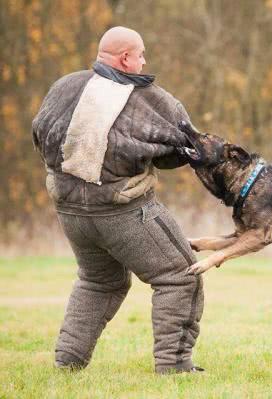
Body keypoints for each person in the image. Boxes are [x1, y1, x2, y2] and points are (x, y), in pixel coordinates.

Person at [32, 26, 204, 374]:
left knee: (99, 281)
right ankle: (174, 366)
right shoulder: (148, 98)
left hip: (70, 213)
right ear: (126, 58)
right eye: (141, 54)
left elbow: (39, 134)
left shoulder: (63, 87)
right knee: (181, 274)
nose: (145, 60)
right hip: (122, 210)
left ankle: (67, 363)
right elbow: (185, 150)